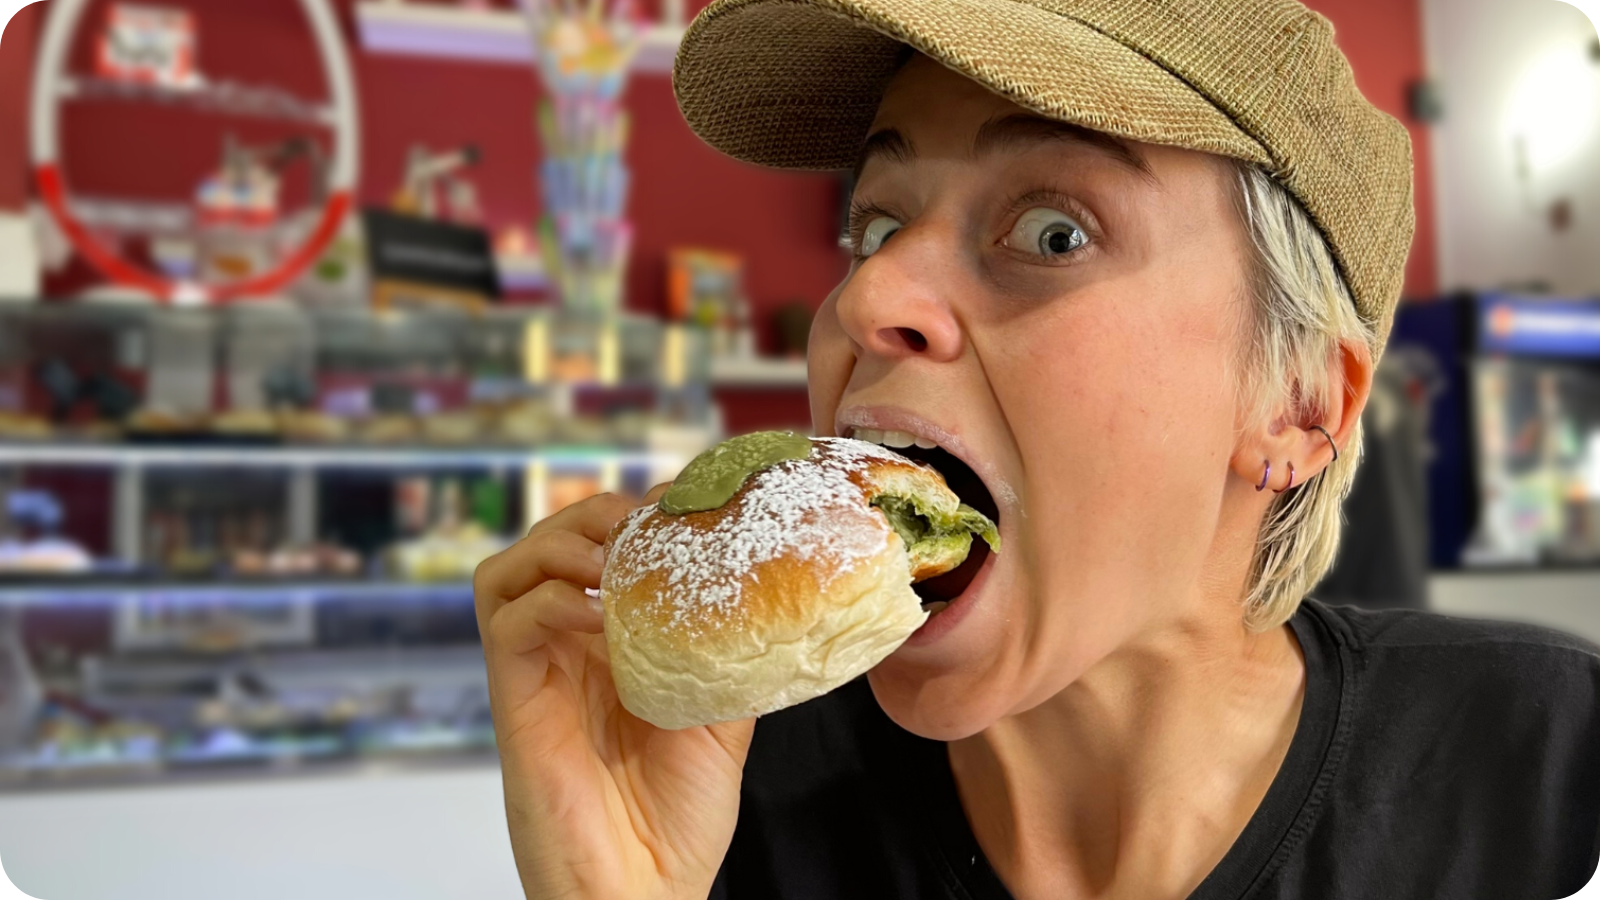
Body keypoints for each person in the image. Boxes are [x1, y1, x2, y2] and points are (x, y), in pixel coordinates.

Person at [473, 1, 1600, 897]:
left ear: (1300, 407)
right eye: (871, 226)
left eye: (1052, 231)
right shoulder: (725, 788)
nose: (866, 296)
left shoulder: (1546, 772)